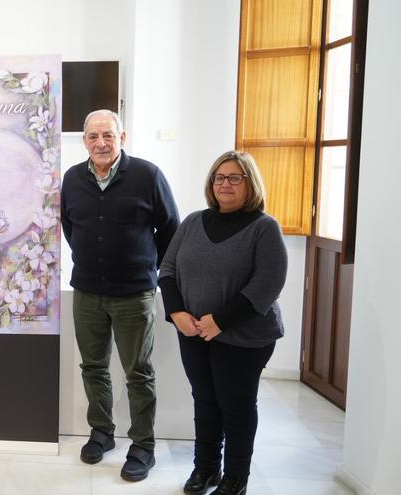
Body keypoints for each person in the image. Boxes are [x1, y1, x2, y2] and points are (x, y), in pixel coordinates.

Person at [60, 109, 179, 481]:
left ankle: (143, 445)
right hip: (87, 292)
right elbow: (70, 225)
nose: (100, 142)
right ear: (84, 141)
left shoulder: (147, 175)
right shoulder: (73, 178)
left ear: (122, 138)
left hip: (134, 293)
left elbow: (171, 230)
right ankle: (102, 433)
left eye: (108, 135)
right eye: (93, 136)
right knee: (93, 367)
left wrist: (145, 268)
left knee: (138, 372)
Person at [159, 151, 286, 495]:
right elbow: (167, 269)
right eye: (219, 177)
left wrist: (220, 321)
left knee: (236, 404)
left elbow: (267, 284)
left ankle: (236, 478)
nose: (224, 184)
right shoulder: (193, 222)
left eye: (234, 178)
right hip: (194, 332)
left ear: (250, 183)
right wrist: (176, 313)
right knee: (205, 400)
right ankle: (206, 469)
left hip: (244, 336)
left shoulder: (264, 228)